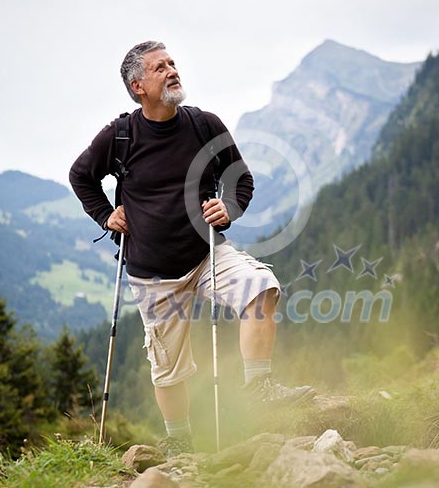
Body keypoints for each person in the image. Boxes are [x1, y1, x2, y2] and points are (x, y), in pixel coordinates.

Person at [69, 41, 316, 457]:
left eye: (172, 63)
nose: (171, 70)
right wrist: (105, 215)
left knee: (261, 288)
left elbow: (241, 179)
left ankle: (260, 388)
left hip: (207, 256)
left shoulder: (204, 126)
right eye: (159, 67)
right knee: (168, 368)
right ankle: (179, 443)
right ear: (138, 85)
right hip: (151, 272)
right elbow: (80, 176)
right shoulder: (120, 136)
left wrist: (229, 206)